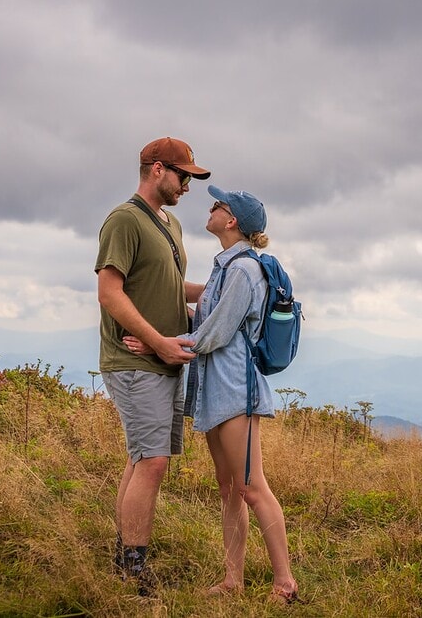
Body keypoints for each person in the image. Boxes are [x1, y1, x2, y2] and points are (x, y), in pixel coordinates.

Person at [124, 185, 300, 604]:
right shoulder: (225, 268)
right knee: (229, 488)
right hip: (217, 392)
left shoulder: (242, 271)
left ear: (232, 220)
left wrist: (158, 344)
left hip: (237, 391)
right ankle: (232, 580)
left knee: (252, 487)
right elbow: (206, 317)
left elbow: (215, 333)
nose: (212, 207)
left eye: (219, 205)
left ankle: (286, 584)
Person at [95, 136, 211, 595]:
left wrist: (231, 283)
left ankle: (124, 556)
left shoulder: (172, 224)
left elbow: (170, 284)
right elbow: (109, 291)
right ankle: (134, 571)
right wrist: (157, 341)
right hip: (134, 360)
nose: (187, 185)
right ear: (157, 169)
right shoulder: (124, 220)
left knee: (142, 459)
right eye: (184, 176)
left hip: (163, 361)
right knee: (153, 463)